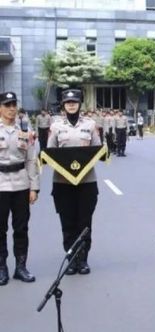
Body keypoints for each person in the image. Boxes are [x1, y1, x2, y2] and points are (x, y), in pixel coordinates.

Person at [47, 89, 101, 275]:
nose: (71, 104)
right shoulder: (55, 126)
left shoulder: (91, 124)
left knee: (85, 222)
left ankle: (83, 259)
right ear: (63, 104)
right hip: (62, 183)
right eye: (68, 101)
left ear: (80, 104)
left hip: (87, 182)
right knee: (67, 221)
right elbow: (50, 152)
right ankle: (71, 258)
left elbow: (98, 150)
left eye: (74, 101)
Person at [0, 92, 39, 286]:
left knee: (21, 228)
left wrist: (34, 187)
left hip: (21, 184)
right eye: (7, 105)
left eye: (14, 104)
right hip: (0, 185)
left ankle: (20, 267)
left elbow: (32, 160)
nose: (11, 108)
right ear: (0, 107)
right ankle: (1, 268)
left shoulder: (25, 131)